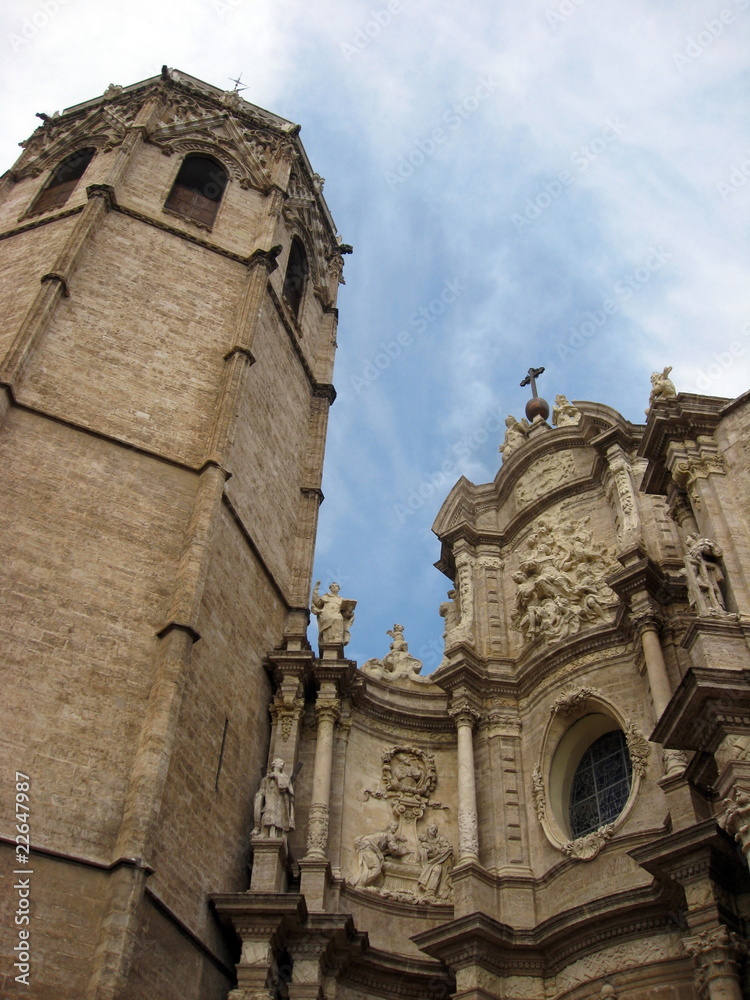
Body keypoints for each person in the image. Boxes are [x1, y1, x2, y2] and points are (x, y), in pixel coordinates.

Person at [352, 821, 410, 888]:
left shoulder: (383, 833)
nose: (395, 828)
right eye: (394, 826)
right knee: (376, 869)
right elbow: (394, 848)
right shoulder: (389, 835)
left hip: (364, 847)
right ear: (389, 826)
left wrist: (396, 838)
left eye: (396, 827)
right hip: (369, 849)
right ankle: (361, 884)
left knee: (370, 868)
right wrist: (403, 851)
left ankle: (359, 882)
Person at [252, 758, 294, 838]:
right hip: (269, 799)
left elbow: (284, 786)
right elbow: (262, 790)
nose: (282, 763)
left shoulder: (284, 777)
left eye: (282, 762)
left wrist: (276, 776)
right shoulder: (266, 779)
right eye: (279, 762)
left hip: (280, 800)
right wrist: (259, 796)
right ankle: (264, 832)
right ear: (274, 764)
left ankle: (275, 834)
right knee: (267, 814)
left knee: (278, 817)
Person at [311, 581, 355, 645]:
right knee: (328, 635)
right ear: (330, 588)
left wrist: (349, 610)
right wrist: (316, 589)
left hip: (338, 617)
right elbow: (317, 602)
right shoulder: (326, 596)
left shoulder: (341, 600)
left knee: (337, 632)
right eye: (332, 586)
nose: (334, 587)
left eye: (336, 586)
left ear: (339, 588)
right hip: (326, 616)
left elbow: (345, 615)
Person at [417, 825, 453, 899]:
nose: (434, 830)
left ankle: (430, 892)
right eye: (432, 828)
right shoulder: (424, 842)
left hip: (439, 860)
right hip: (429, 861)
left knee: (437, 869)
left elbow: (447, 847)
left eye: (435, 829)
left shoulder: (440, 839)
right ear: (428, 830)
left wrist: (440, 851)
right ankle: (429, 892)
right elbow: (422, 852)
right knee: (435, 868)